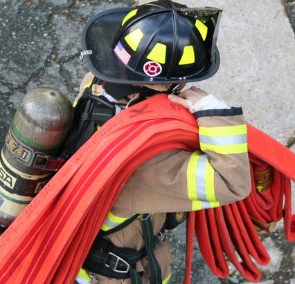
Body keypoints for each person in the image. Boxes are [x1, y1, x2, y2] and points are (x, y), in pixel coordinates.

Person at [66, 1, 252, 282]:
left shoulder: (96, 85)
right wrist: (214, 114)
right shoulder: (148, 158)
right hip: (119, 274)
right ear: (164, 83)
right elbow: (232, 183)